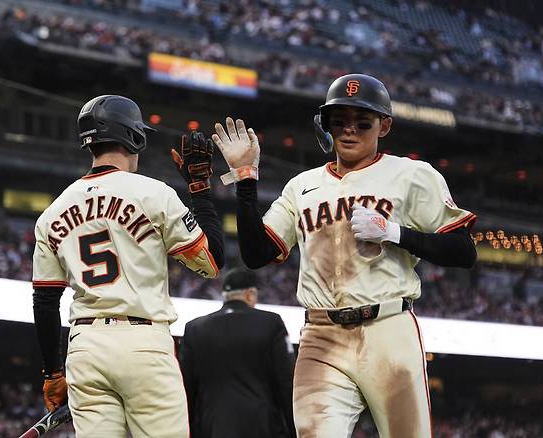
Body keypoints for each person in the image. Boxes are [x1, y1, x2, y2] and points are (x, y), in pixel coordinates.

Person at [211, 74, 477, 437]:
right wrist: (245, 178)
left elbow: (463, 250)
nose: (349, 131)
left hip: (388, 329)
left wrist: (394, 232)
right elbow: (257, 253)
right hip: (321, 334)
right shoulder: (301, 185)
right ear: (325, 126)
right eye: (339, 122)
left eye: (362, 123)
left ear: (385, 125)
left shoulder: (412, 174)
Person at [31, 95, 224, 437]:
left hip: (85, 347)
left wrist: (53, 373)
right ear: (135, 138)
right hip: (142, 342)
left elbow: (45, 302)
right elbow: (211, 263)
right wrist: (199, 189)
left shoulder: (53, 212)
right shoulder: (154, 193)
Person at [180, 267, 296, 438]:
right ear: (250, 294)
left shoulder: (194, 328)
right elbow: (287, 381)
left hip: (211, 427)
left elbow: (187, 388)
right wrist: (293, 431)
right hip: (262, 425)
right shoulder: (271, 323)